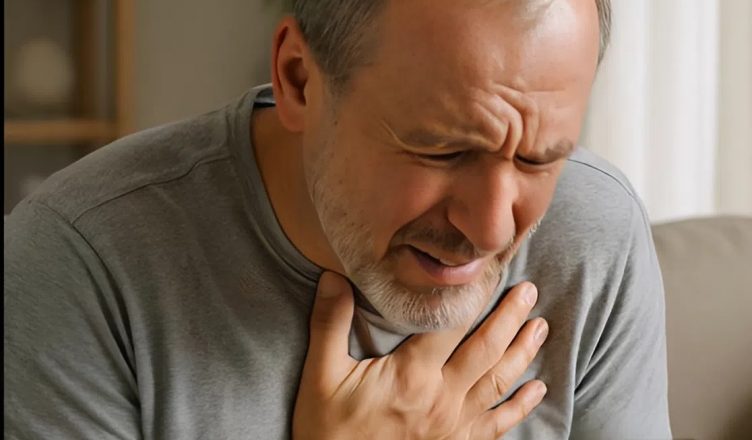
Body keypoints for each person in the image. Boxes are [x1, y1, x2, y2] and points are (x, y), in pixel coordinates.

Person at [5, 0, 673, 438]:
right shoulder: (78, 265)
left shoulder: (594, 236)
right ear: (299, 79)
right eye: (442, 150)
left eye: (538, 159)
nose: (493, 229)